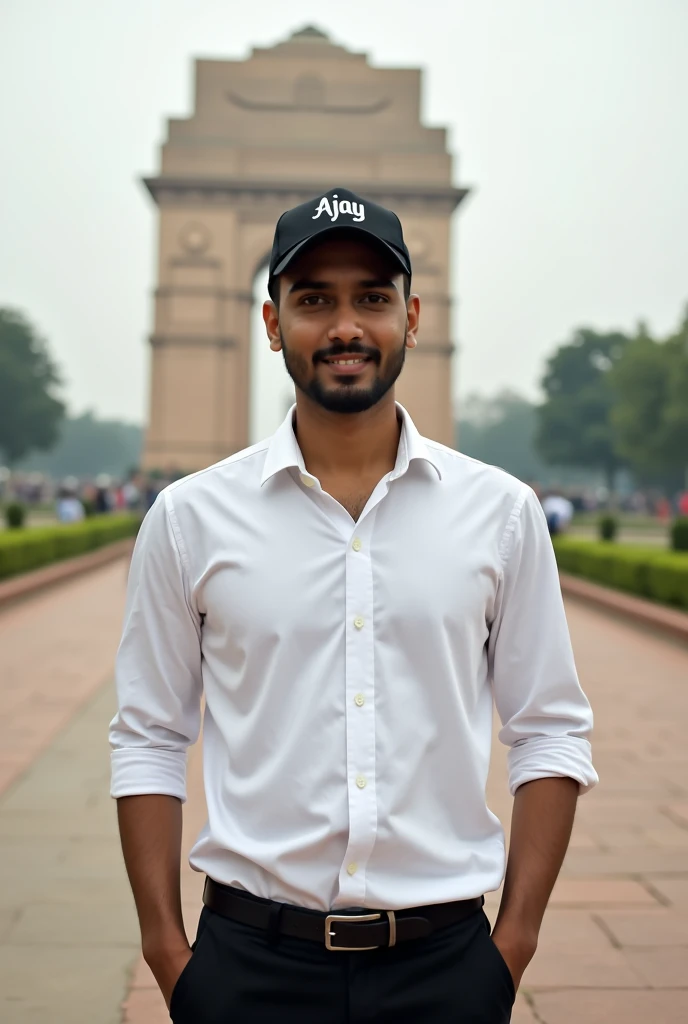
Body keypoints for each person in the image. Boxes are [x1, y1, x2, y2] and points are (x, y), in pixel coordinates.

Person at [110, 187, 598, 1023]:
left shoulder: (502, 513)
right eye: (313, 300)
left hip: (446, 966)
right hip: (246, 967)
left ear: (412, 318)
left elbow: (550, 728)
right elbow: (149, 734)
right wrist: (168, 955)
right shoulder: (190, 519)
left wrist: (510, 949)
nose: (345, 327)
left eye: (372, 298)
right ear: (272, 323)